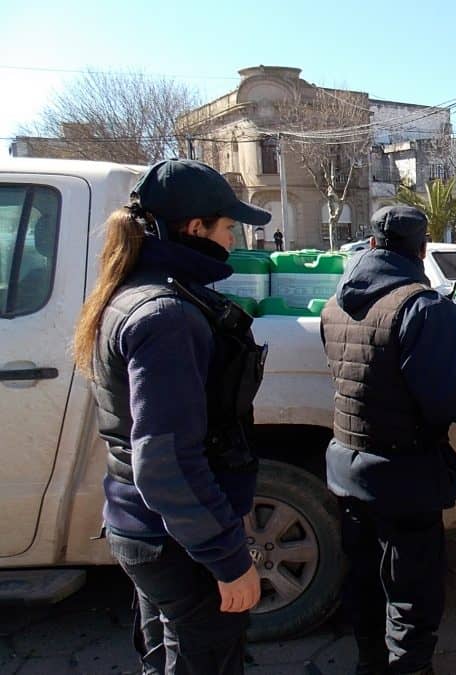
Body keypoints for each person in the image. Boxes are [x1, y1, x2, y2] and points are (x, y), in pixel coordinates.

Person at [72, 159, 272, 673]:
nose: (232, 241)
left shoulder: (134, 293)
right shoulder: (167, 315)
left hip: (150, 529)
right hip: (176, 542)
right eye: (228, 228)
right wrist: (228, 559)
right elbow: (165, 459)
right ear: (194, 228)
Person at [320, 205, 456, 675]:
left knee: (364, 583)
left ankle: (369, 665)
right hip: (403, 481)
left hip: (348, 472)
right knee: (411, 598)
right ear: (422, 250)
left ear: (371, 245)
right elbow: (454, 397)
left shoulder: (336, 305)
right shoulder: (425, 310)